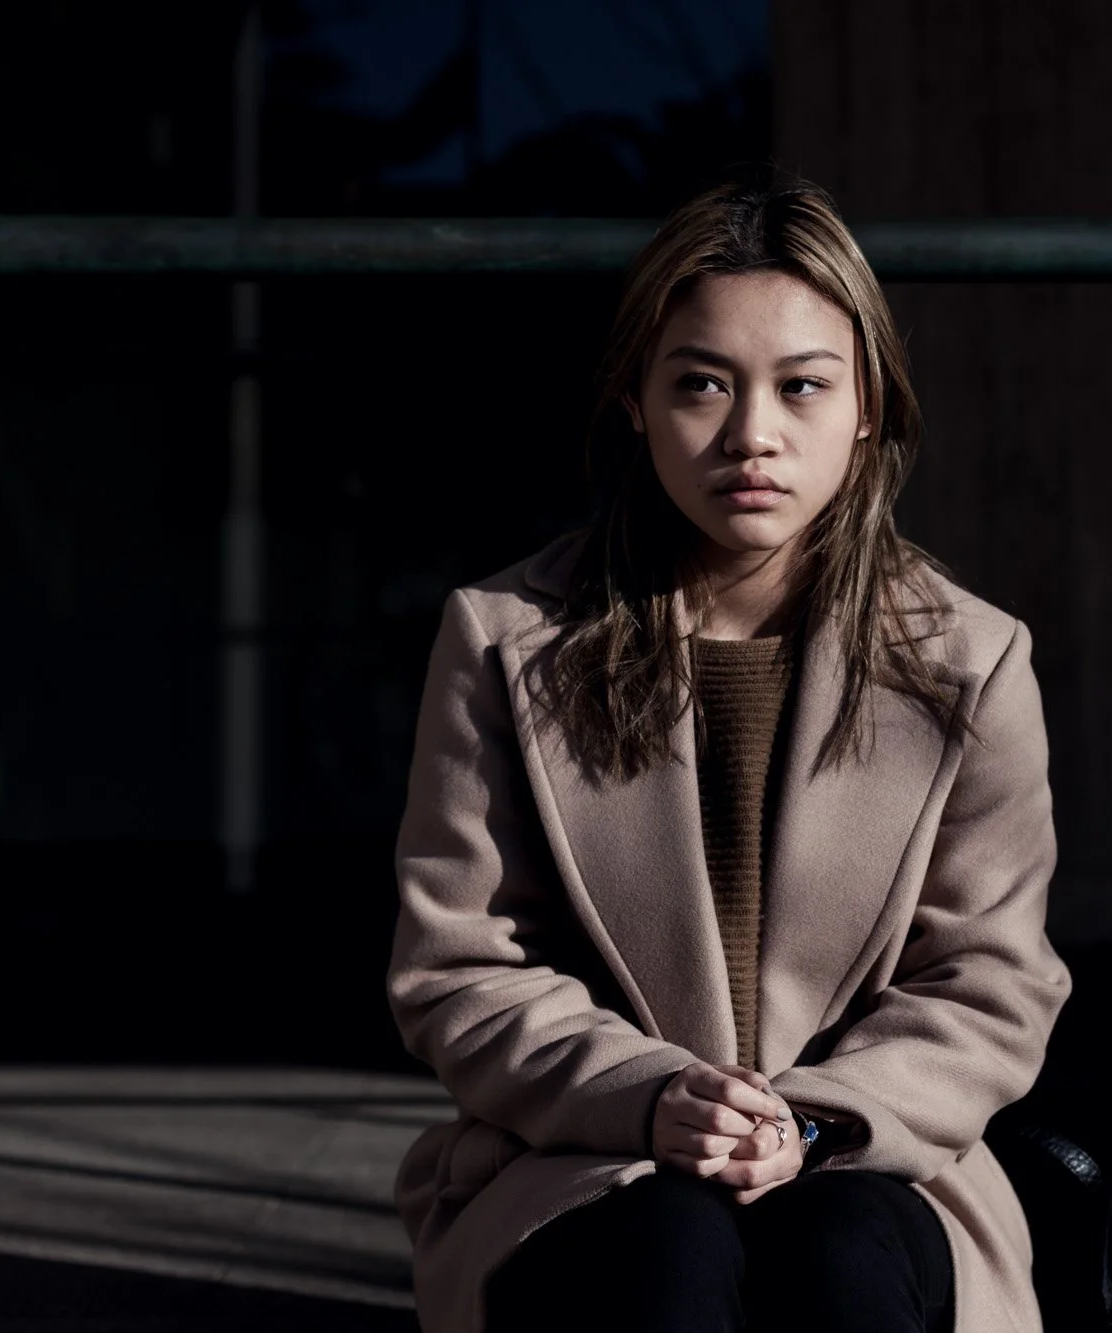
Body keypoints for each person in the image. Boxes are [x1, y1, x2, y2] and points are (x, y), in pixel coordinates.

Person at [386, 175, 1072, 1333]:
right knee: (662, 1256)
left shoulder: (972, 660)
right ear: (635, 403)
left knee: (842, 1260)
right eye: (700, 382)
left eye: (801, 386)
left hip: (870, 1153)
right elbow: (459, 965)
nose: (751, 433)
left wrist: (808, 1121)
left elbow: (991, 983)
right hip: (584, 1157)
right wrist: (650, 1099)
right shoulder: (505, 640)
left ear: (865, 408)